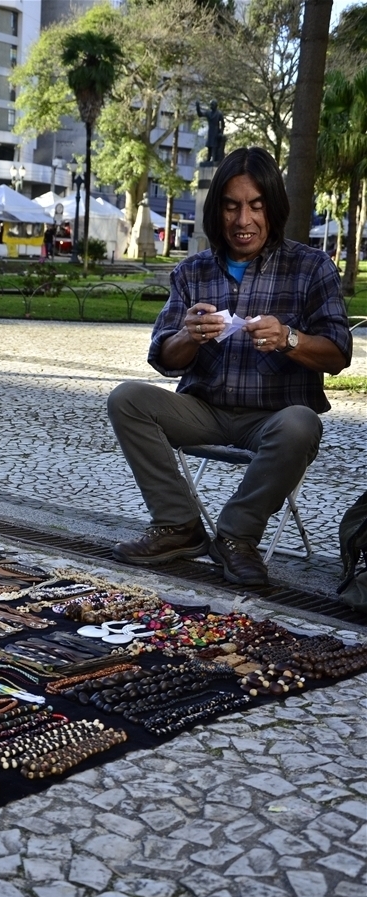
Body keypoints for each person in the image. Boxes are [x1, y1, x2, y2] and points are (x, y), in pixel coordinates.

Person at [107, 146, 352, 586]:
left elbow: (338, 353)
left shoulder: (311, 267)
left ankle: (237, 538)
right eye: (232, 206)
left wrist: (289, 338)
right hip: (204, 411)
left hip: (273, 417)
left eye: (256, 207)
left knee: (300, 425)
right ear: (217, 211)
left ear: (273, 209)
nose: (243, 221)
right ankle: (179, 525)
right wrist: (188, 335)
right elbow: (163, 358)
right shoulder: (192, 271)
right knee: (127, 399)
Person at [196, 99, 225, 164]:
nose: (211, 106)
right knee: (209, 145)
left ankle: (213, 158)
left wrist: (221, 132)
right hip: (210, 131)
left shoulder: (219, 114)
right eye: (210, 105)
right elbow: (200, 114)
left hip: (216, 131)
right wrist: (197, 107)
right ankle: (208, 158)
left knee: (214, 145)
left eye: (212, 104)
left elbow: (222, 124)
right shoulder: (208, 112)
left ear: (215, 105)